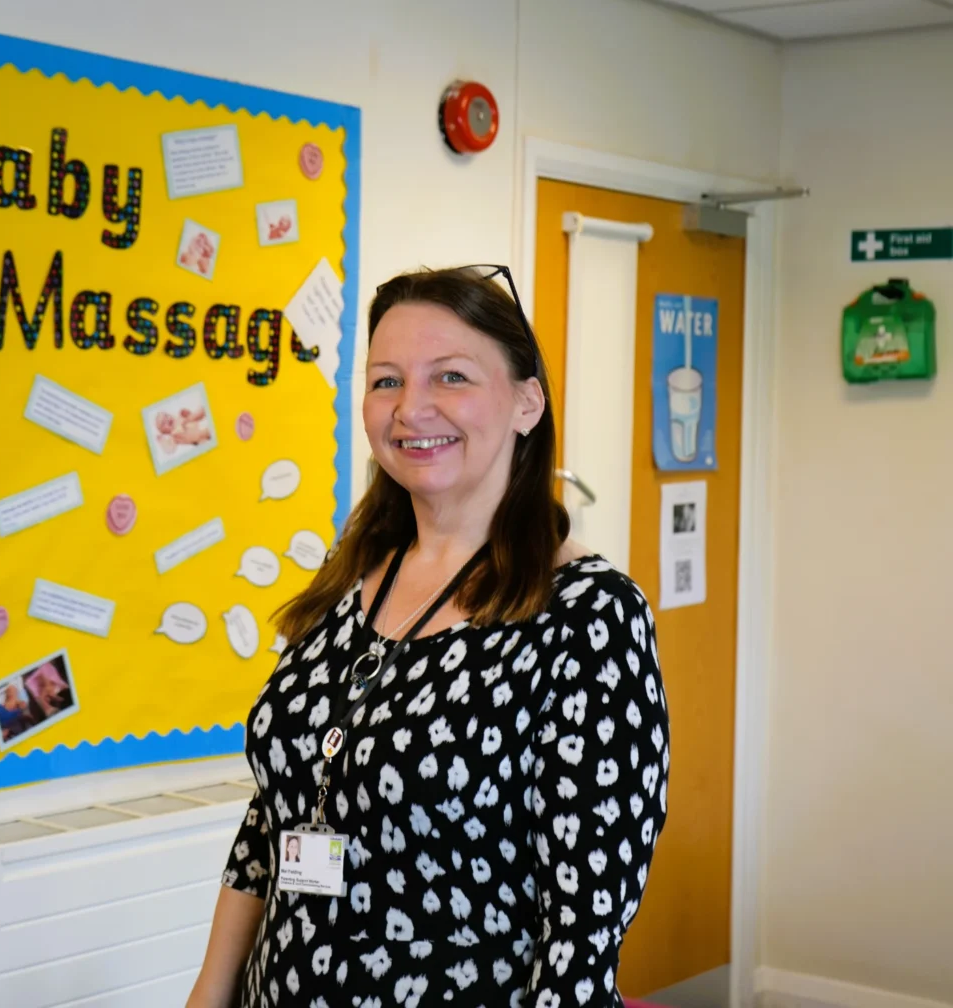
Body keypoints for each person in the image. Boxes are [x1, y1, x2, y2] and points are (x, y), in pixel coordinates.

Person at [187, 265, 670, 1008]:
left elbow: (583, 929)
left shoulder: (588, 617)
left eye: (451, 377)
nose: (411, 408)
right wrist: (208, 995)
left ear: (526, 403)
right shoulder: (351, 580)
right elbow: (277, 811)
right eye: (386, 381)